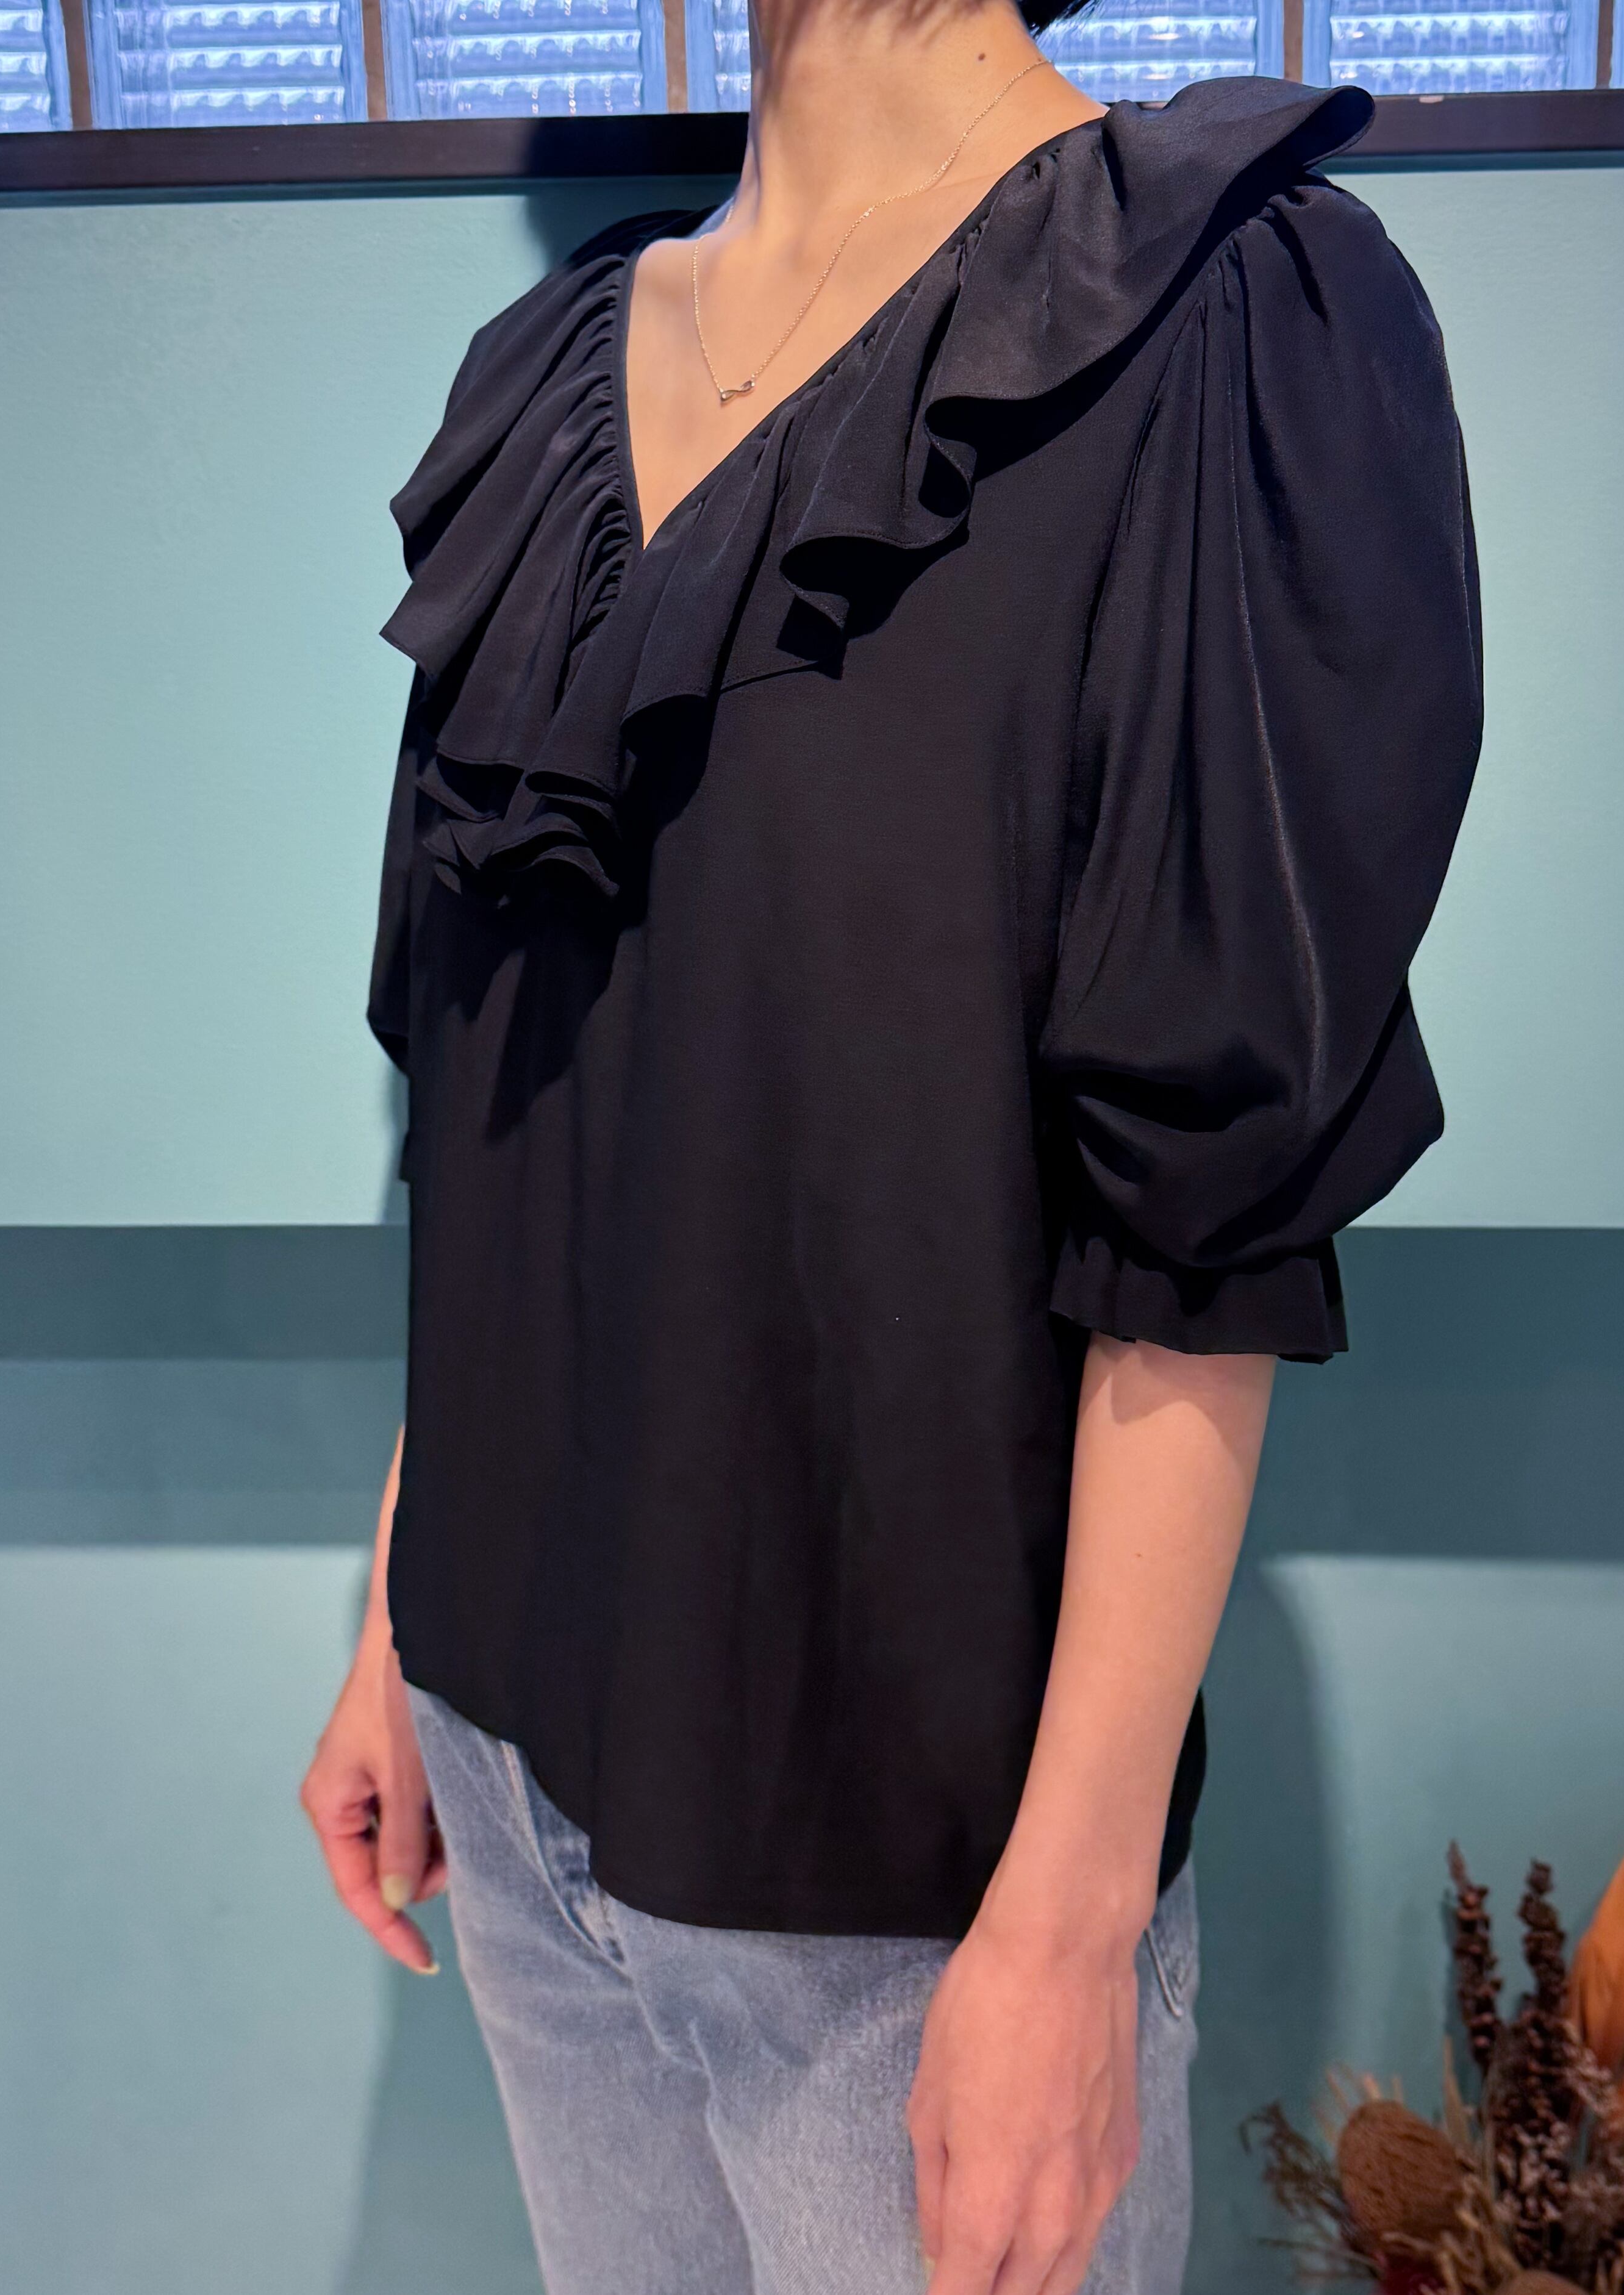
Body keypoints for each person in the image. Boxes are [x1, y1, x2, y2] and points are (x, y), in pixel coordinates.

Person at [300, 0, 1483, 2285]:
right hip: (508, 1765)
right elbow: (495, 1112)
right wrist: (392, 1610)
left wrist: (1067, 1916)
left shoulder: (1218, 317)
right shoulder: (538, 382)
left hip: (908, 1884)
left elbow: (1206, 1194)